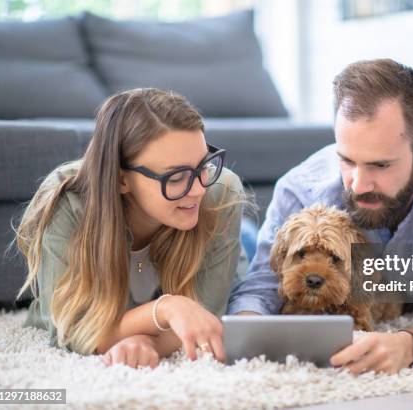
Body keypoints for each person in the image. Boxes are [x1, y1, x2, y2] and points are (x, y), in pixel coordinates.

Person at [228, 59, 413, 374]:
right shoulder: (299, 189)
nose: (358, 185)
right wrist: (246, 336)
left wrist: (410, 344)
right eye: (347, 160)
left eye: (380, 165)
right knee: (247, 241)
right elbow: (261, 287)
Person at [15, 88, 247, 369]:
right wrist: (166, 309)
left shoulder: (220, 191)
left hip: (229, 240)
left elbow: (205, 320)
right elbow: (68, 331)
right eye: (176, 177)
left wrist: (147, 342)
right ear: (121, 179)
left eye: (203, 166)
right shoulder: (67, 201)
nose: (198, 189)